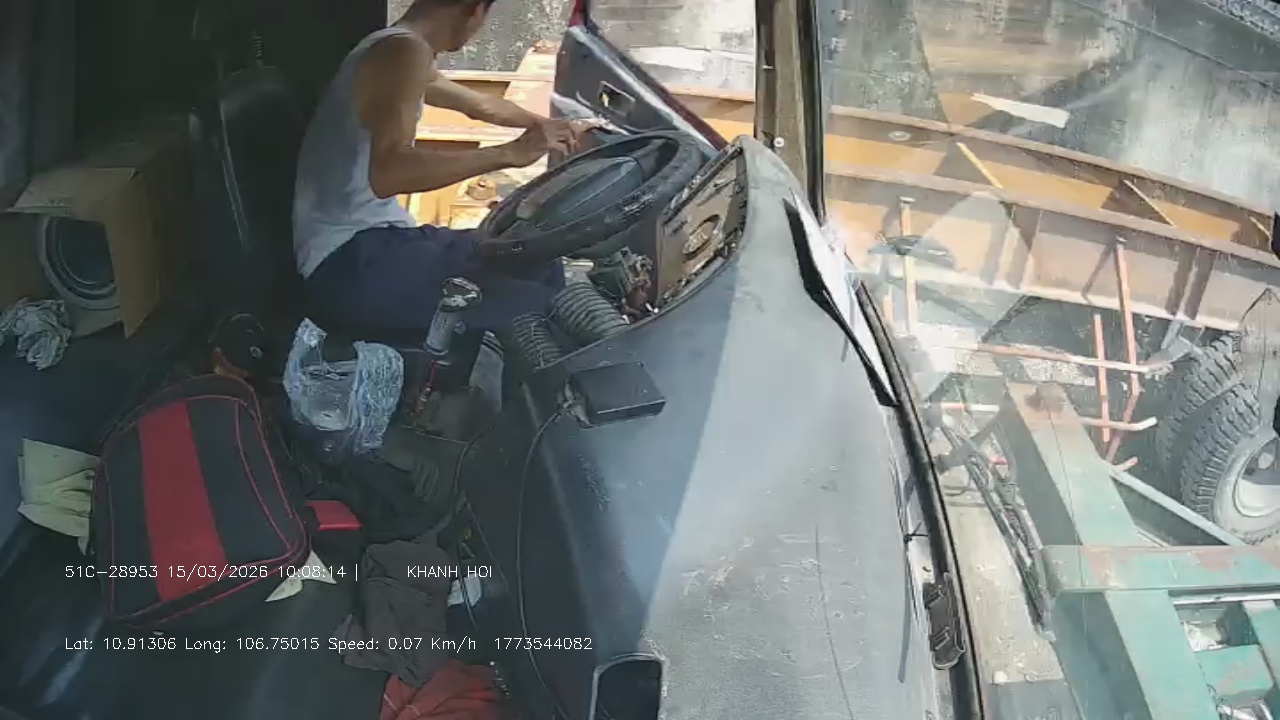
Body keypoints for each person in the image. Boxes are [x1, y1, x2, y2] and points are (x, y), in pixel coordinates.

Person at [293, 0, 593, 339]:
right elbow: (391, 172)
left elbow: (482, 106)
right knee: (550, 311)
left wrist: (546, 127)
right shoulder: (402, 52)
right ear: (475, 10)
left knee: (538, 261)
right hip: (349, 264)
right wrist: (509, 153)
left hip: (376, 244)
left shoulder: (393, 47)